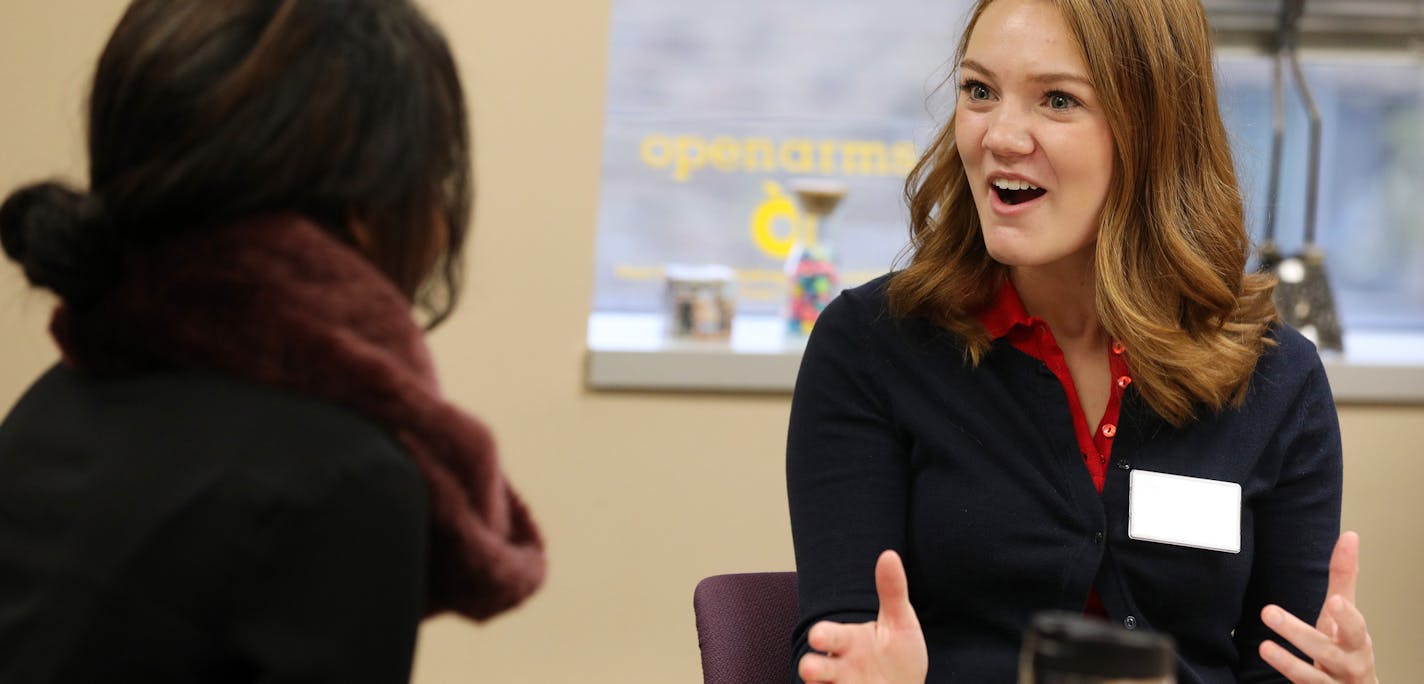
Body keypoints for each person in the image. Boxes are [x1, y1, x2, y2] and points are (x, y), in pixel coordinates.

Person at [785, 0, 1378, 682]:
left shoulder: (1276, 379)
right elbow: (839, 648)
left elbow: (1285, 666)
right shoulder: (871, 347)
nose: (1001, 136)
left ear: (1153, 130)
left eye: (1058, 100)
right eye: (980, 91)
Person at [0, 0, 545, 681]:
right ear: (368, 213)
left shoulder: (48, 409)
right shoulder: (344, 476)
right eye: (432, 179)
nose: (439, 221)